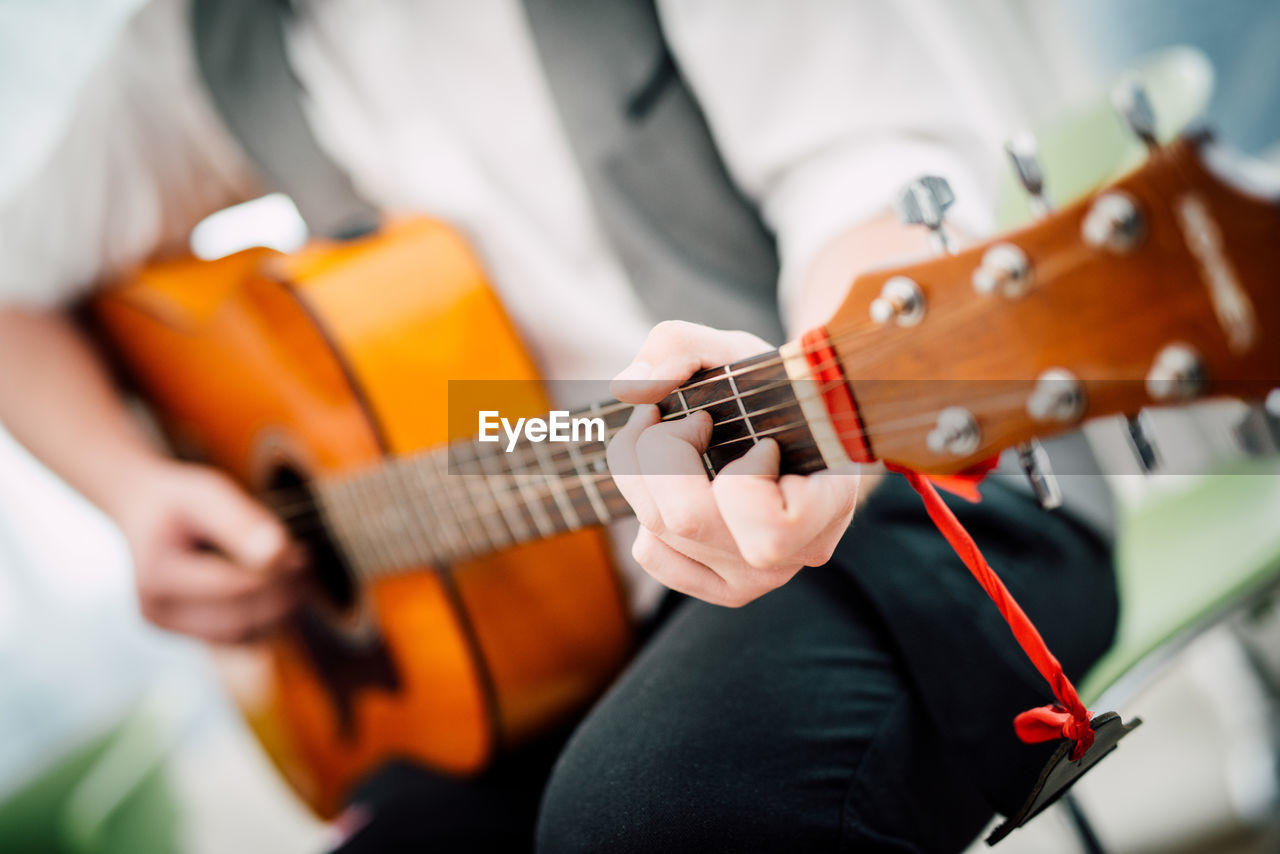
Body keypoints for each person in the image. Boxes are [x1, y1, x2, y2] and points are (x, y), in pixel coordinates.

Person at [0, 1, 1117, 850]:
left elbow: (870, 168)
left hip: (920, 493)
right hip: (528, 631)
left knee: (645, 817)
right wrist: (134, 487)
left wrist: (823, 409)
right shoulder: (198, 42)